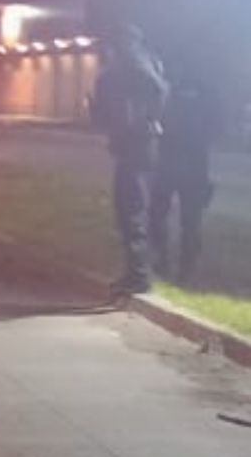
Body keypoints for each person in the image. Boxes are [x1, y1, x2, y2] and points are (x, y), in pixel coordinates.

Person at [88, 23, 168, 296]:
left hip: (137, 146)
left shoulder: (134, 64)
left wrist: (147, 120)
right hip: (133, 146)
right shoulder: (131, 66)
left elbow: (159, 90)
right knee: (131, 209)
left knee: (132, 210)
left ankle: (140, 275)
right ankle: (139, 269)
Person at [148, 65, 218, 282]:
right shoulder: (208, 95)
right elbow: (217, 127)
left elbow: (157, 119)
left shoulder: (169, 92)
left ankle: (165, 260)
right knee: (190, 219)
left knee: (162, 214)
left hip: (172, 160)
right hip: (194, 163)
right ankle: (184, 266)